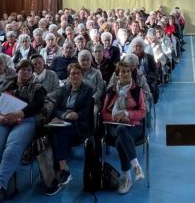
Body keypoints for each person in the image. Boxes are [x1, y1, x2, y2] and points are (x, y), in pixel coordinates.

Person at [0, 60, 46, 203]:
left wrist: (20, 113)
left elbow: (38, 105)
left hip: (24, 120)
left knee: (13, 146)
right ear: (17, 71)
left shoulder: (37, 88)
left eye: (29, 70)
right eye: (23, 69)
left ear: (32, 73)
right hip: (1, 119)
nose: (25, 72)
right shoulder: (5, 85)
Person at [46, 63, 94, 195]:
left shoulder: (87, 90)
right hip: (64, 121)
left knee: (58, 133)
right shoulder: (64, 89)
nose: (75, 76)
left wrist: (76, 115)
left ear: (82, 75)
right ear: (69, 76)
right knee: (52, 132)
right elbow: (56, 108)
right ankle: (62, 172)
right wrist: (64, 115)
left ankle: (61, 172)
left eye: (78, 73)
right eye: (72, 74)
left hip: (79, 126)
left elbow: (86, 111)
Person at [101, 61, 147, 194]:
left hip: (134, 127)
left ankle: (127, 178)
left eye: (128, 71)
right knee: (120, 130)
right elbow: (104, 113)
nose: (126, 74)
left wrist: (127, 114)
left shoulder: (137, 90)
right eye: (122, 71)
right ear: (118, 74)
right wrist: (117, 118)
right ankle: (136, 167)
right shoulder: (111, 91)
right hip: (114, 127)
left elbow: (143, 112)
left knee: (121, 138)